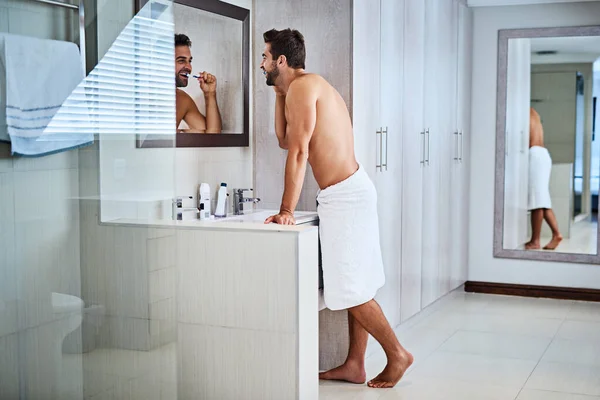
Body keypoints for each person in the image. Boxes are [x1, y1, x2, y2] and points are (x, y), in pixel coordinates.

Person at [260, 28, 413, 388]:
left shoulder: (304, 88)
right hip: (348, 193)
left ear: (281, 60)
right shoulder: (300, 88)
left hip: (345, 196)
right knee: (356, 283)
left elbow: (298, 152)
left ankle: (397, 354)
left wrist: (286, 209)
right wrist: (277, 91)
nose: (263, 63)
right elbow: (285, 139)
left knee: (349, 288)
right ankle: (355, 364)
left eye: (266, 57)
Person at [526, 107, 562, 250]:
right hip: (543, 154)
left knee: (537, 201)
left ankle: (535, 241)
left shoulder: (522, 111)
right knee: (542, 199)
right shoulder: (533, 112)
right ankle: (556, 234)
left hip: (534, 154)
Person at [174, 33, 222, 134]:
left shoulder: (182, 99)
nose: (189, 67)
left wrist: (210, 94)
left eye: (189, 61)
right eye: (181, 61)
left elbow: (213, 136)